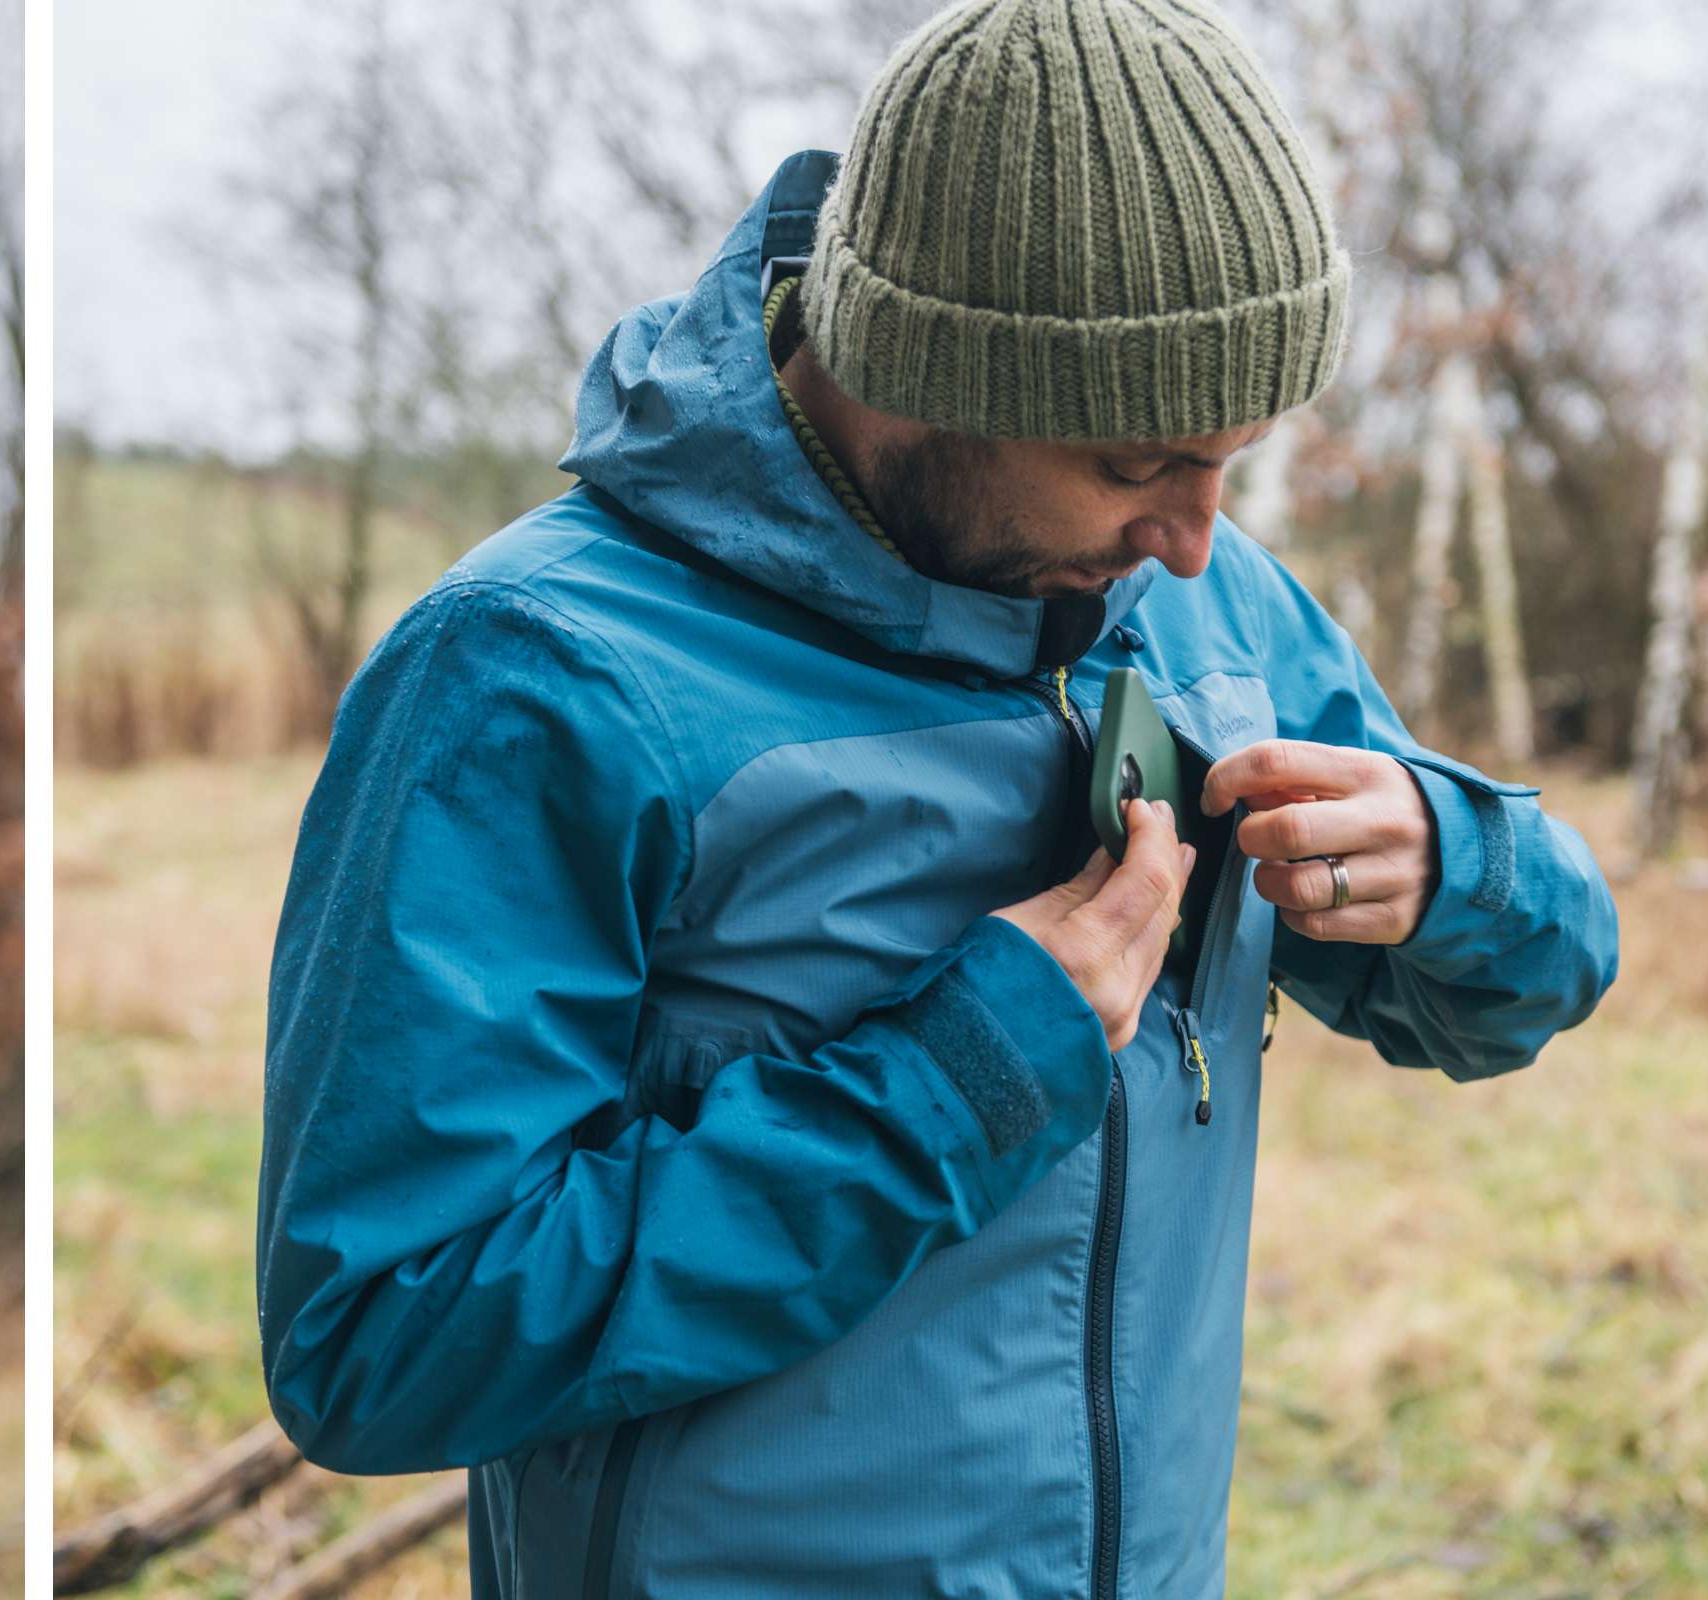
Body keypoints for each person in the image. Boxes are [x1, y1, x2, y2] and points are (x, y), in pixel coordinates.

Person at [253, 1, 1619, 1593]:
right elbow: (378, 1333)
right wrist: (956, 1080)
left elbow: (1518, 991)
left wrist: (1459, 862)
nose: (1195, 533)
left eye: (1237, 460)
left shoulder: (1208, 608)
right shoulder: (532, 678)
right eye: (1136, 464)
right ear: (923, 380)